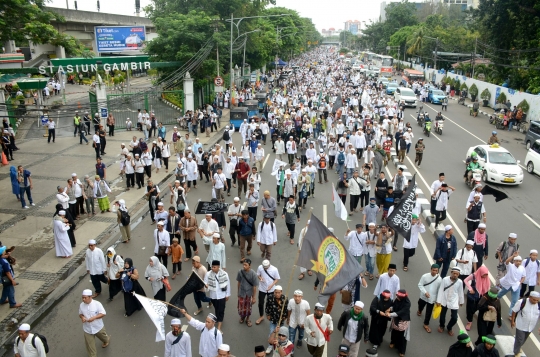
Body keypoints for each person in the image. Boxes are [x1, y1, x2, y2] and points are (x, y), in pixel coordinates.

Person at [79, 289, 110, 357]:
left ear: (90, 297)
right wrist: (82, 317)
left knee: (104, 338)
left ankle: (106, 340)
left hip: (98, 327)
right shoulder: (81, 305)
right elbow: (80, 314)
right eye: (82, 297)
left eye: (85, 297)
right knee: (90, 348)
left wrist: (94, 318)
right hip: (87, 329)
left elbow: (103, 313)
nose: (83, 299)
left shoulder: (97, 304)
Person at [436, 267, 465, 336]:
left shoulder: (460, 282)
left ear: (458, 274)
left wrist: (461, 301)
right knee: (442, 315)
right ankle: (441, 325)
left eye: (457, 274)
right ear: (451, 273)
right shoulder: (445, 279)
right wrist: (438, 300)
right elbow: (441, 290)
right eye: (454, 273)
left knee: (455, 317)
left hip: (453, 301)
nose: (455, 275)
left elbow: (460, 291)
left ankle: (449, 327)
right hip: (444, 300)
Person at [511, 291, 540, 357]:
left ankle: (518, 346)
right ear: (529, 297)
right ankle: (516, 353)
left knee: (523, 339)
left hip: (531, 326)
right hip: (521, 325)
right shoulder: (522, 302)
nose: (535, 301)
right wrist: (513, 321)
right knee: (520, 339)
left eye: (537, 300)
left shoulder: (538, 305)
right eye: (534, 300)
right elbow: (514, 311)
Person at [204, 260, 230, 331]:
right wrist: (206, 286)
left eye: (214, 267)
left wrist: (227, 294)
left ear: (218, 267)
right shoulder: (208, 274)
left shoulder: (224, 274)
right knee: (216, 309)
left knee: (221, 310)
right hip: (213, 296)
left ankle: (219, 327)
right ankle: (218, 318)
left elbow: (228, 284)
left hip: (222, 296)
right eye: (212, 267)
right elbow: (205, 282)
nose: (212, 268)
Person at [463, 265, 491, 331]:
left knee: (477, 308)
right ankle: (469, 322)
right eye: (484, 274)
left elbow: (488, 288)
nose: (485, 276)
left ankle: (472, 314)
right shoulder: (474, 275)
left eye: (486, 274)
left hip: (481, 296)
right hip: (473, 296)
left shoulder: (486, 278)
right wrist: (470, 289)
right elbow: (465, 280)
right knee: (470, 309)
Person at [417, 264, 442, 333]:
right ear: (430, 269)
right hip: (423, 296)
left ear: (438, 271)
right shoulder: (425, 276)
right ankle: (420, 310)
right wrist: (425, 292)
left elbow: (439, 290)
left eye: (436, 270)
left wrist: (438, 300)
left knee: (429, 311)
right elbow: (420, 285)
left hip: (432, 298)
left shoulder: (439, 279)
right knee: (420, 304)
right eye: (433, 270)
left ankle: (426, 324)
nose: (434, 272)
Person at [389, 289, 411, 357]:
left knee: (402, 337)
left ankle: (402, 351)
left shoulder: (407, 304)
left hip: (403, 320)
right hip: (396, 319)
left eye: (399, 297)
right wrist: (389, 309)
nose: (397, 297)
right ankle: (393, 342)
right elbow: (394, 306)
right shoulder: (397, 299)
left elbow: (400, 312)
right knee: (394, 331)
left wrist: (390, 314)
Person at [237, 259, 258, 326]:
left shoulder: (253, 274)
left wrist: (254, 297)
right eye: (243, 264)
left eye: (245, 265)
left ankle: (248, 319)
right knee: (241, 307)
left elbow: (254, 286)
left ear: (250, 266)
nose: (244, 266)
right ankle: (242, 317)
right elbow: (239, 282)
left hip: (249, 294)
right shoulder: (240, 272)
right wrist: (238, 292)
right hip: (242, 293)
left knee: (249, 307)